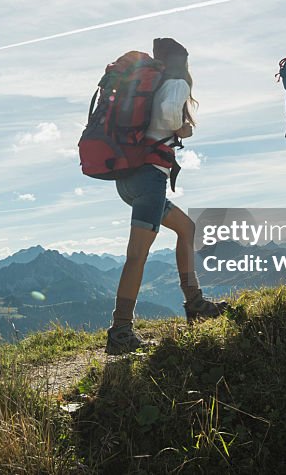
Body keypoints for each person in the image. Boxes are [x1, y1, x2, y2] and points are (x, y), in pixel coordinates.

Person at [106, 37, 227, 354]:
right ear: (182, 61)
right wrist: (183, 129)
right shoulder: (175, 82)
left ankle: (195, 304)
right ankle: (120, 331)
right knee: (137, 256)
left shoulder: (149, 82)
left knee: (186, 228)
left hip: (129, 178)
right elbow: (168, 114)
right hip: (150, 178)